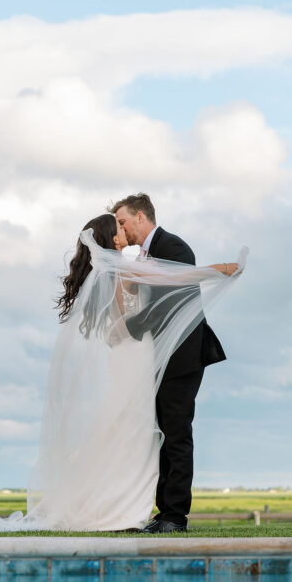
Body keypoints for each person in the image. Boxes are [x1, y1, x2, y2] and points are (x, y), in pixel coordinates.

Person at [0, 212, 246, 532]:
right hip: (135, 355)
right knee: (134, 430)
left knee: (127, 428)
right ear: (115, 239)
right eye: (119, 226)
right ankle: (126, 507)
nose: (124, 228)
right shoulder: (124, 268)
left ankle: (128, 503)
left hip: (128, 356)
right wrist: (223, 269)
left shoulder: (108, 269)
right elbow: (179, 278)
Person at [111, 193, 236, 532]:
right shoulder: (148, 256)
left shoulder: (175, 249)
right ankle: (163, 512)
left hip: (183, 354)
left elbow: (168, 304)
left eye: (122, 221)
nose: (120, 228)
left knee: (177, 433)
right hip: (164, 355)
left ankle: (176, 516)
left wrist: (130, 326)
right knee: (165, 433)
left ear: (140, 216)